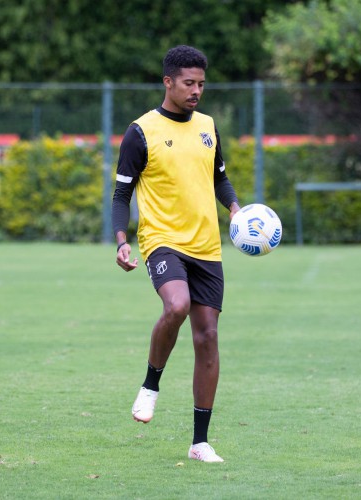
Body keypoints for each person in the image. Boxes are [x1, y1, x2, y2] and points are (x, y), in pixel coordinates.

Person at [111, 45, 240, 463]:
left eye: (201, 83)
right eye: (189, 83)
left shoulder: (207, 126)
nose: (196, 91)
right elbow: (121, 193)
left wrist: (237, 209)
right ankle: (150, 385)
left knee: (208, 337)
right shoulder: (141, 131)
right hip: (162, 239)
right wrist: (121, 239)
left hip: (207, 246)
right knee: (177, 305)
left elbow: (220, 178)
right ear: (168, 82)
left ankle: (200, 442)